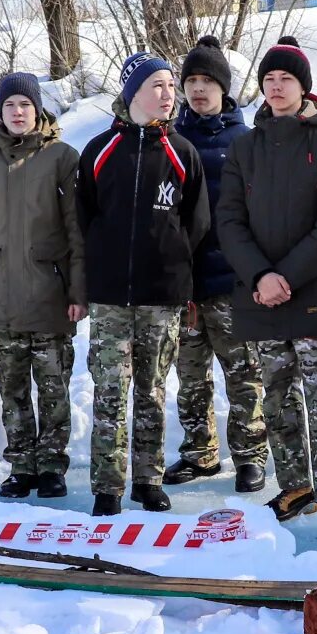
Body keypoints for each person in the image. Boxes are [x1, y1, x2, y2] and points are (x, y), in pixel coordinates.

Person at [215, 35, 317, 539]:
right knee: (276, 394)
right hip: (260, 294)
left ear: (304, 87)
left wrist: (288, 276)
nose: (276, 87)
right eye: (270, 79)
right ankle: (296, 484)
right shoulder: (244, 147)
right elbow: (229, 221)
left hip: (312, 291)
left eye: (287, 79)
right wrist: (261, 276)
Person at [77, 52, 209, 515]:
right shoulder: (99, 151)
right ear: (132, 93)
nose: (168, 94)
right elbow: (84, 218)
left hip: (161, 296)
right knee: (110, 392)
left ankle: (148, 480)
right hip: (111, 297)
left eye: (171, 86)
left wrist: (169, 264)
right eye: (157, 85)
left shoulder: (183, 152)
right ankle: (107, 487)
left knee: (151, 392)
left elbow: (196, 222)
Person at [0, 72, 85, 500]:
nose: (17, 112)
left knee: (52, 388)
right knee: (11, 390)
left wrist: (77, 291)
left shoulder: (63, 157)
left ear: (38, 109)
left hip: (50, 293)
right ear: (0, 110)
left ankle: (51, 465)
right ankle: (21, 466)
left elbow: (77, 231)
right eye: (9, 105)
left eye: (24, 105)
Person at [165, 35, 269, 495]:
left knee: (243, 372)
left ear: (224, 88)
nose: (199, 89)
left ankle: (250, 454)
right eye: (191, 81)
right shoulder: (169, 139)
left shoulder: (245, 142)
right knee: (190, 374)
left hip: (232, 280)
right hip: (184, 283)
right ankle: (199, 452)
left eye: (208, 80)